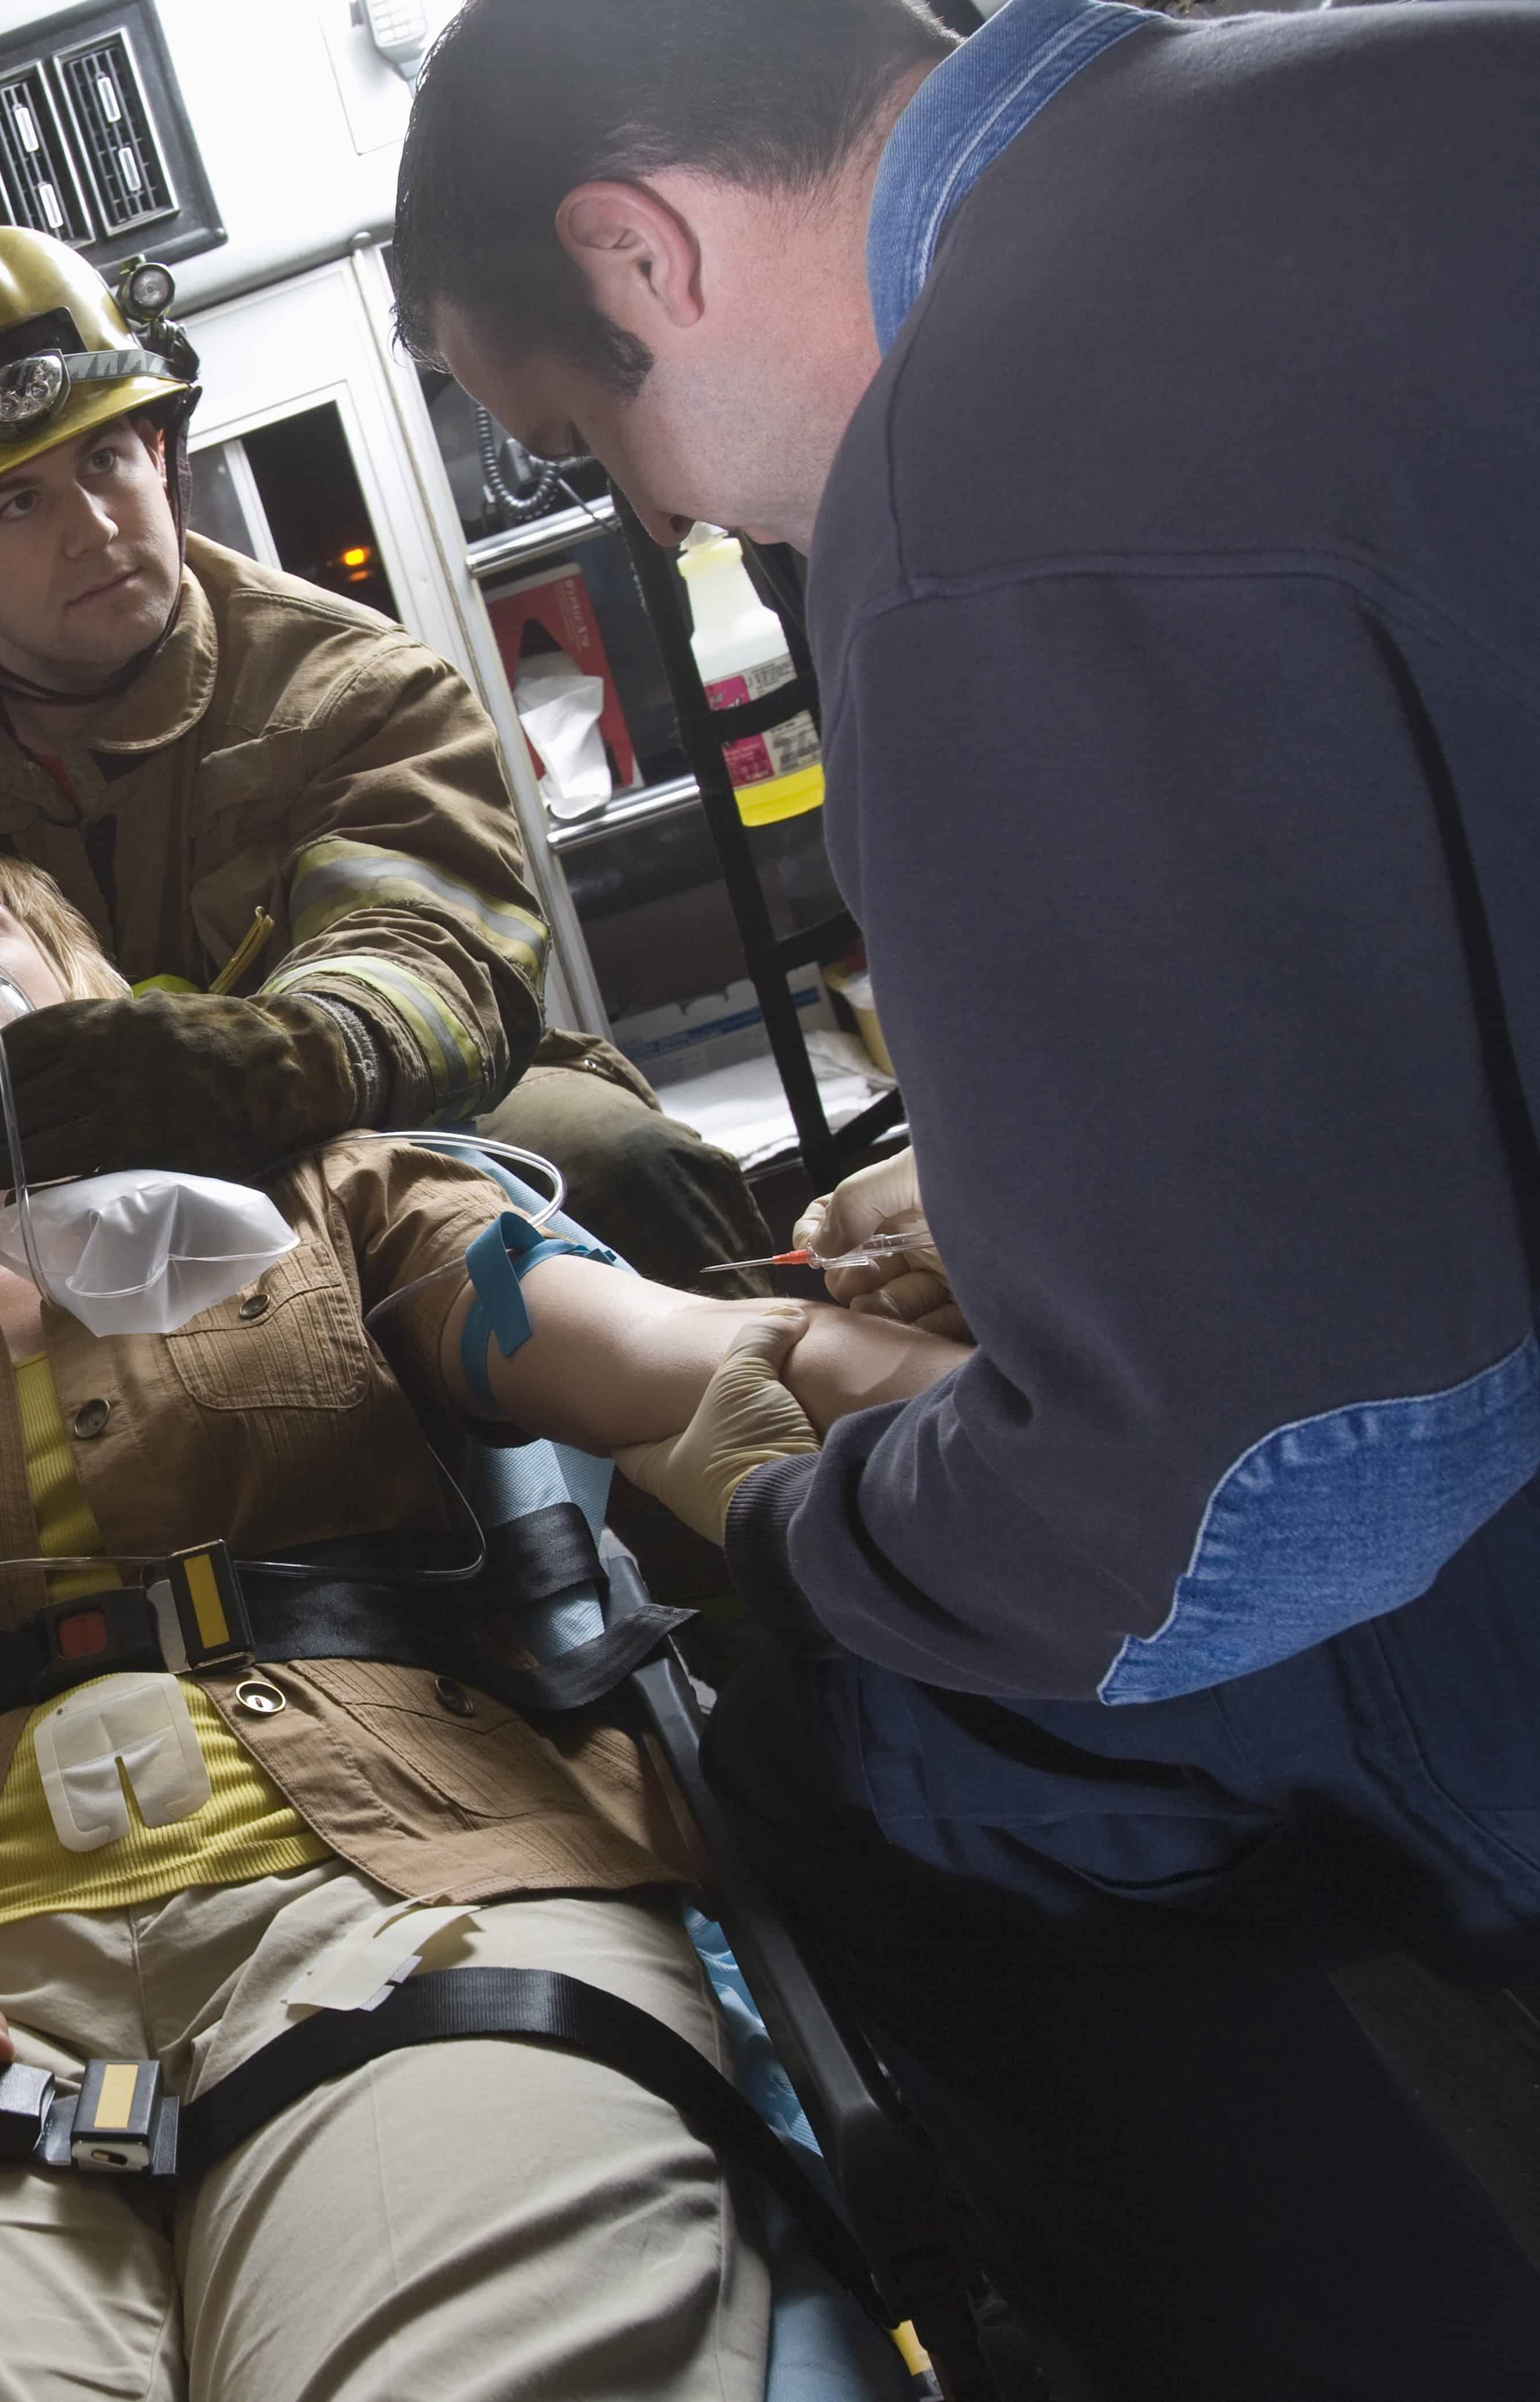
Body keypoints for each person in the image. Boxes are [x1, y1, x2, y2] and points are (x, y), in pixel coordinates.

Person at [391, 0, 1540, 2389]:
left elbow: (1251, 1504)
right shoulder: (1384, 94)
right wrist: (1032, 1181)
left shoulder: (967, 504)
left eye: (583, 438)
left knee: (855, 1744)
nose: (658, 520)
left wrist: (811, 1498)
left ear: (638, 255)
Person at [0, 852, 961, 2401]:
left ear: (101, 999)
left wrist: (989, 1414)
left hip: (401, 1909)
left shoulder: (333, 1201)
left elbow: (673, 1355)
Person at [0, 219, 772, 1443]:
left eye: (107, 458)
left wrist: (274, 1058)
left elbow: (432, 954)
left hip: (345, 1127)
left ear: (163, 451)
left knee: (620, 1165)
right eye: (19, 502)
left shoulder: (350, 684)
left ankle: (786, 1506)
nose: (93, 526)